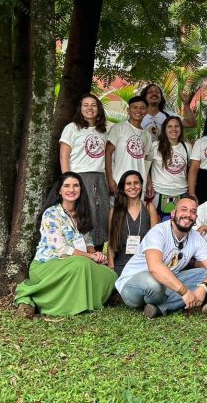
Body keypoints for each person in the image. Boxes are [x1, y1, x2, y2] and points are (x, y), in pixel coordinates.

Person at [14, 172, 117, 317]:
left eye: (76, 186)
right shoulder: (51, 214)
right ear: (59, 190)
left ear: (81, 189)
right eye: (67, 186)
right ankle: (74, 305)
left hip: (77, 263)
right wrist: (90, 257)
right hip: (48, 264)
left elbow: (88, 240)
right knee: (81, 264)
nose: (71, 189)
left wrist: (94, 253)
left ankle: (95, 297)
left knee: (110, 275)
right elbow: (61, 249)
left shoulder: (82, 212)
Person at [115, 196, 207, 318]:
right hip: (133, 284)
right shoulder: (158, 232)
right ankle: (171, 301)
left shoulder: (196, 238)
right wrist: (185, 292)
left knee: (204, 274)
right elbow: (155, 268)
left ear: (196, 217)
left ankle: (160, 308)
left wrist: (203, 287)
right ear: (173, 213)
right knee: (154, 284)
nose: (188, 214)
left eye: (193, 211)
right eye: (184, 209)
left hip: (164, 283)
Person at [58, 93, 110, 248]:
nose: (89, 108)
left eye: (93, 105)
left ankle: (98, 250)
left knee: (101, 216)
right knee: (83, 214)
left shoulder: (103, 131)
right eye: (85, 105)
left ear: (98, 109)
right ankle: (81, 251)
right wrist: (68, 181)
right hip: (79, 177)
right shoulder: (72, 128)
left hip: (99, 178)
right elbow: (64, 156)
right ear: (80, 108)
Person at [108, 170, 159, 277]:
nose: (133, 187)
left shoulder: (149, 207)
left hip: (144, 264)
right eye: (128, 183)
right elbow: (111, 244)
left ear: (141, 185)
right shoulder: (115, 211)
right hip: (121, 266)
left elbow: (156, 241)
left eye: (136, 183)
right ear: (123, 187)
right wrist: (111, 270)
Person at [105, 96, 152, 196]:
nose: (138, 110)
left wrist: (148, 182)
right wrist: (110, 179)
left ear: (146, 111)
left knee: (137, 207)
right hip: (119, 181)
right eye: (134, 107)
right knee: (119, 206)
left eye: (142, 108)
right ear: (128, 110)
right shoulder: (118, 128)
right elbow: (107, 154)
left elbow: (145, 161)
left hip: (139, 184)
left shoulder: (147, 134)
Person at [147, 115, 190, 220]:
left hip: (182, 193)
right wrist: (148, 183)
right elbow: (146, 166)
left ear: (181, 129)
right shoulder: (156, 146)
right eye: (170, 126)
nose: (173, 129)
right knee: (159, 225)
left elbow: (190, 170)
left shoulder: (187, 147)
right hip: (160, 193)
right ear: (164, 129)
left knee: (180, 224)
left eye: (177, 126)